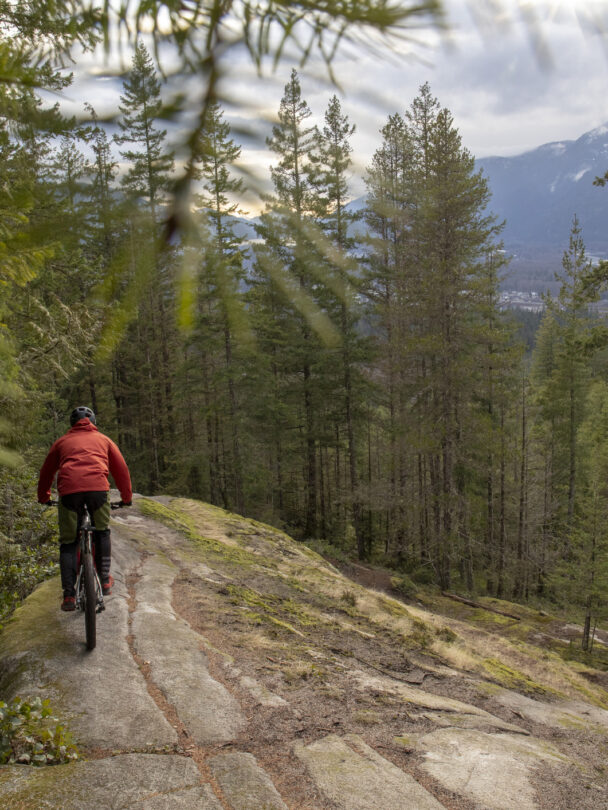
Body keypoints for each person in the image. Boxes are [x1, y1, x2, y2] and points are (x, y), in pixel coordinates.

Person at [37, 406, 132, 612]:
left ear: (72, 424)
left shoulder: (61, 442)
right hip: (98, 491)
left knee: (69, 542)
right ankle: (105, 580)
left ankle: (69, 595)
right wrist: (126, 498)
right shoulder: (104, 440)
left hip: (70, 494)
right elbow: (121, 470)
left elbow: (46, 472)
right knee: (102, 531)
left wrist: (44, 497)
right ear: (93, 422)